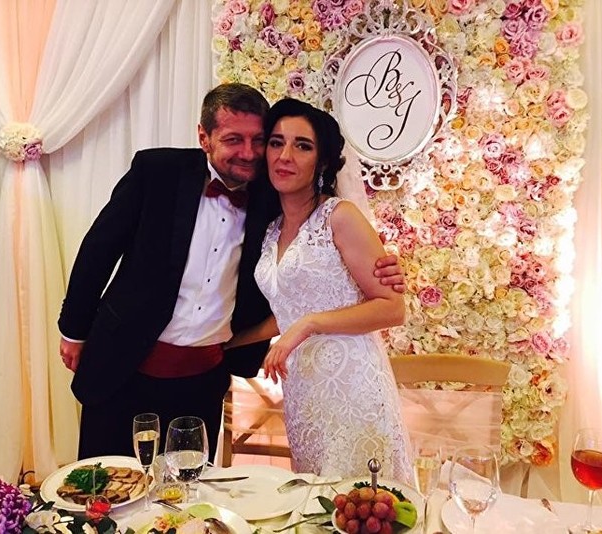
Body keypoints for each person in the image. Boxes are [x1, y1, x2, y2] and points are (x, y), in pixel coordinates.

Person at [58, 83, 405, 461]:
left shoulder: (273, 197)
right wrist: (74, 331)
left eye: (259, 140)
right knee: (105, 482)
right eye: (234, 139)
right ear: (204, 137)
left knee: (188, 488)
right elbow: (99, 249)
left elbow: (321, 261)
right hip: (124, 366)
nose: (249, 153)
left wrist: (383, 269)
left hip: (202, 381)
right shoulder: (158, 172)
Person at [227, 98, 412, 481]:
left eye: (302, 146)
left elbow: (392, 308)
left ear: (322, 161)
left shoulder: (340, 217)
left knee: (359, 502)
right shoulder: (272, 230)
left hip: (353, 387)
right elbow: (289, 310)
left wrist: (309, 324)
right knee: (316, 500)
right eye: (276, 143)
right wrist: (224, 344)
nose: (285, 156)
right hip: (304, 392)